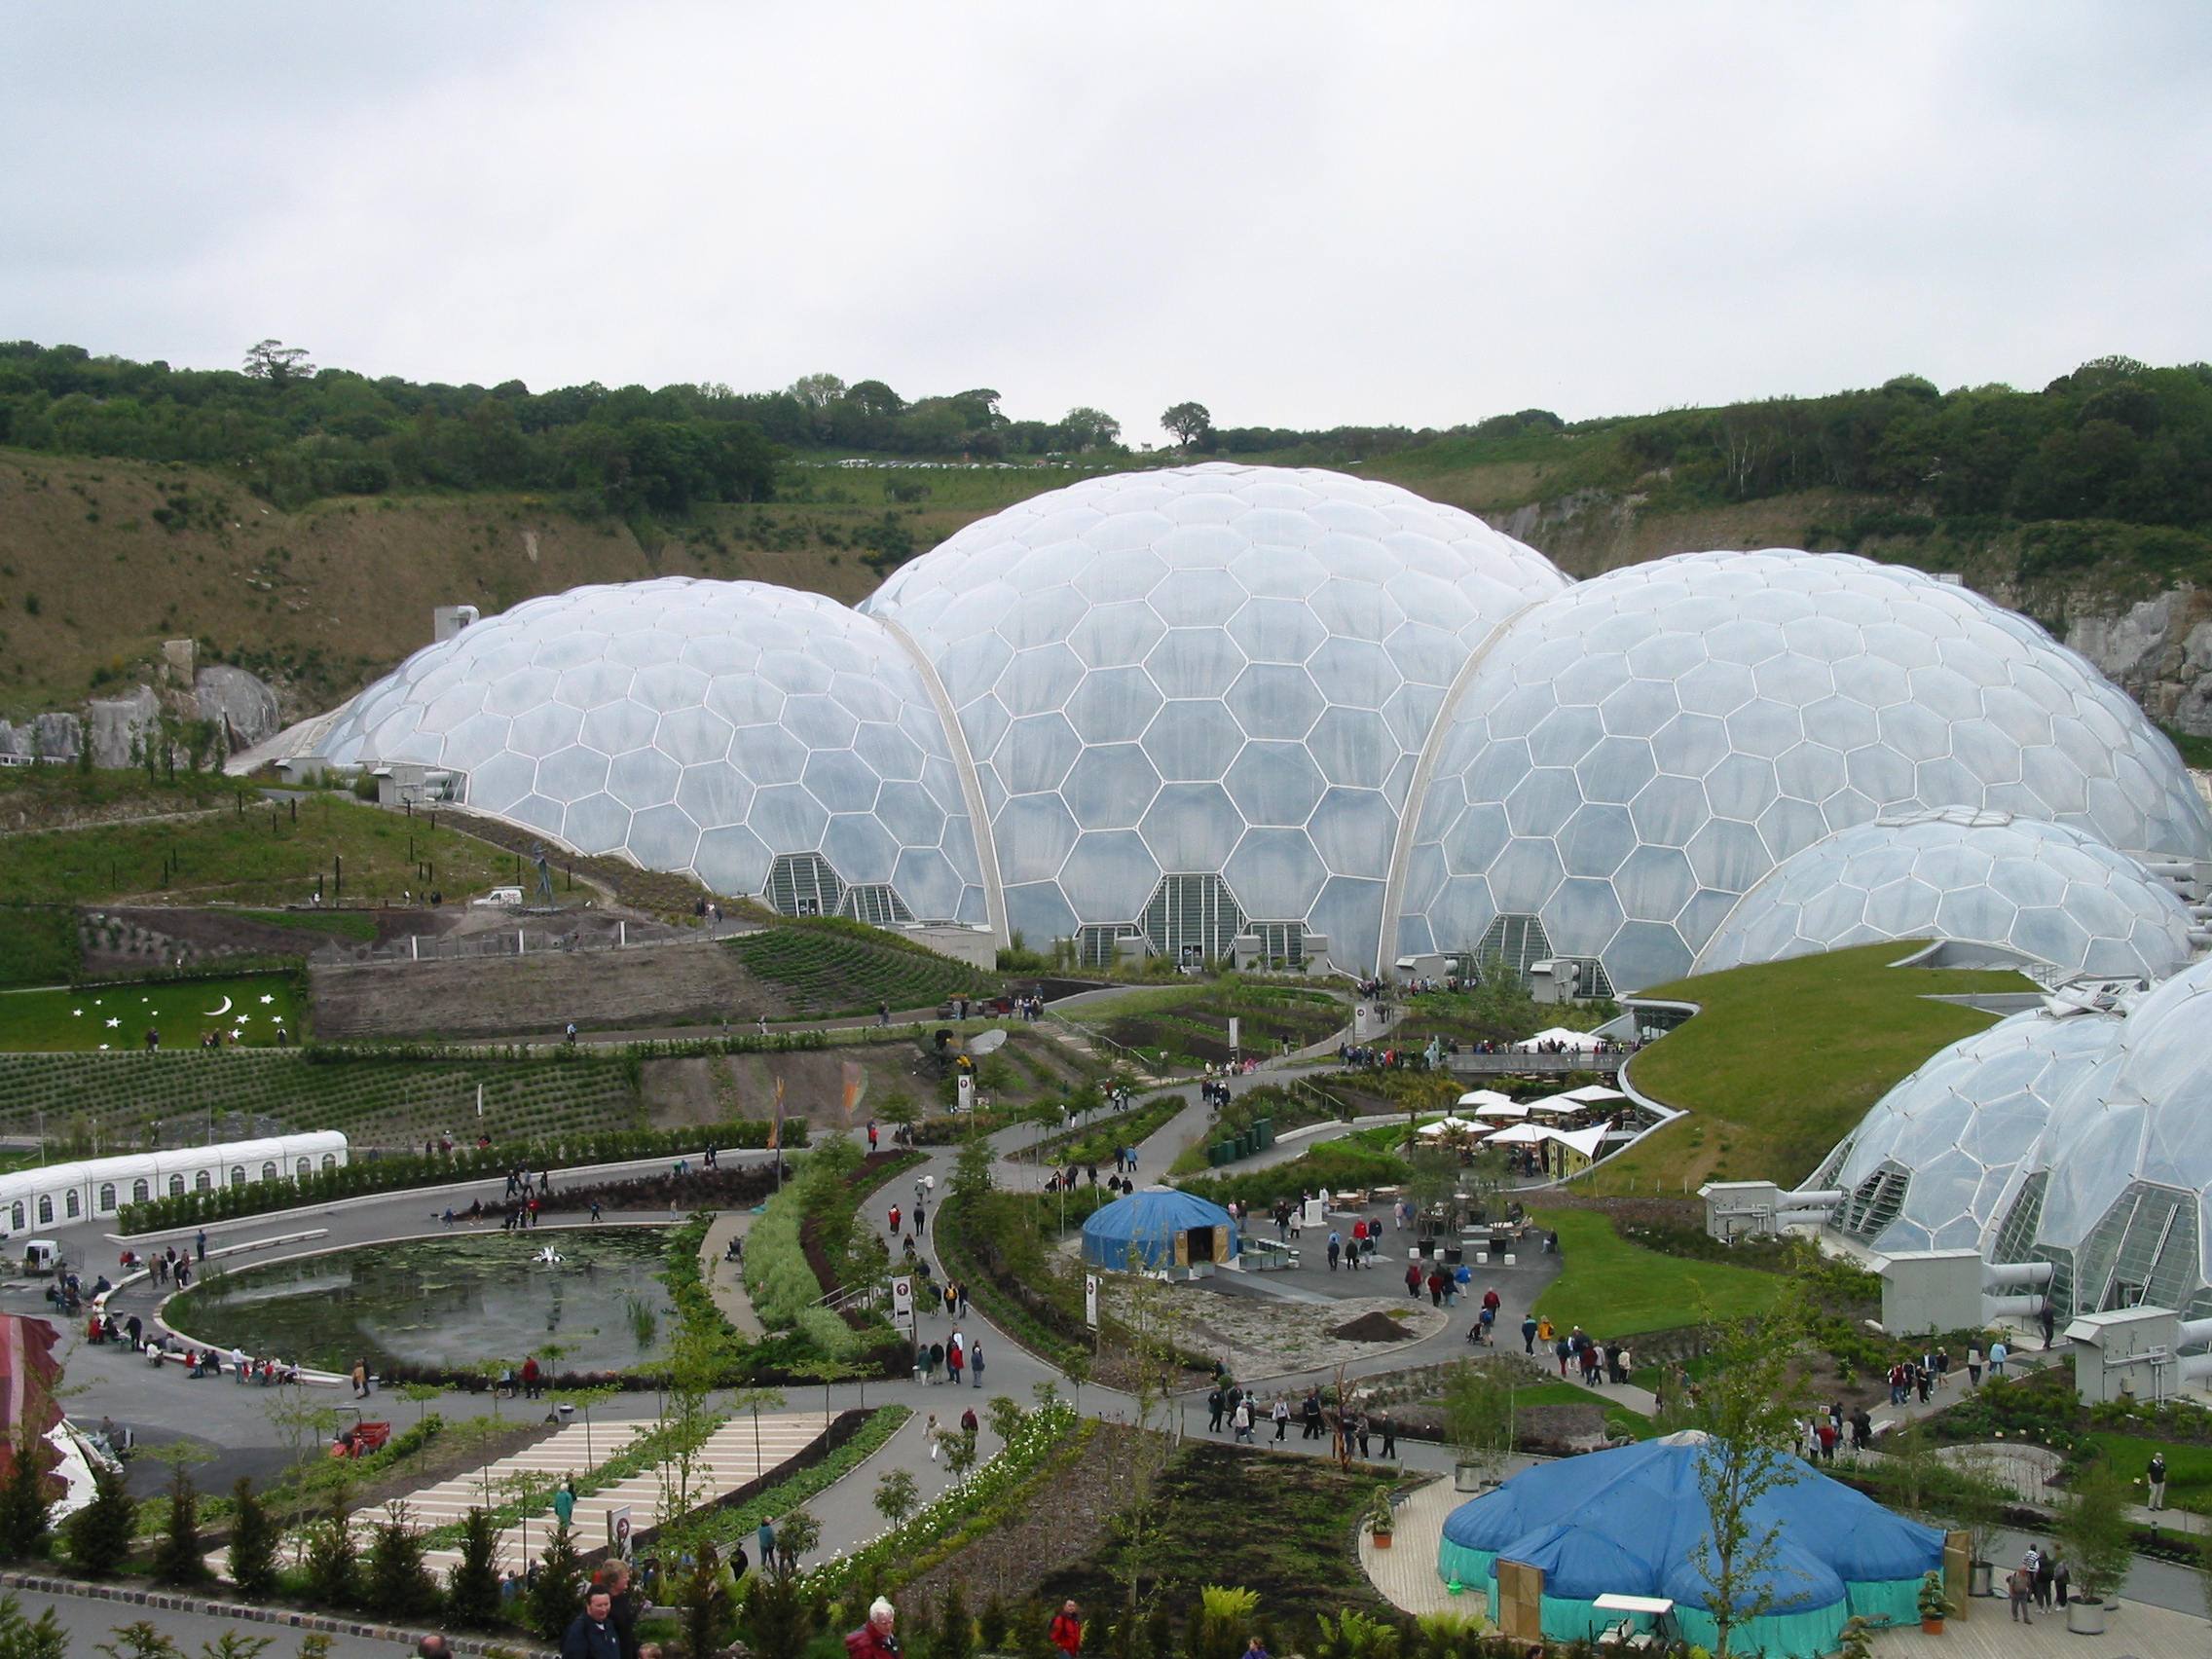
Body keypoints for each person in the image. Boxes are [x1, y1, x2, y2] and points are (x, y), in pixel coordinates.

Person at [564, 1588, 620, 1659]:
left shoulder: (609, 1624)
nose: (604, 1609)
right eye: (599, 1605)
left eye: (606, 1604)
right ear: (588, 1605)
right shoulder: (579, 1629)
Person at [603, 1560, 641, 1659]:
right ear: (612, 1582)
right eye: (624, 1577)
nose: (628, 1579)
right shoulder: (605, 1604)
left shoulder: (623, 1598)